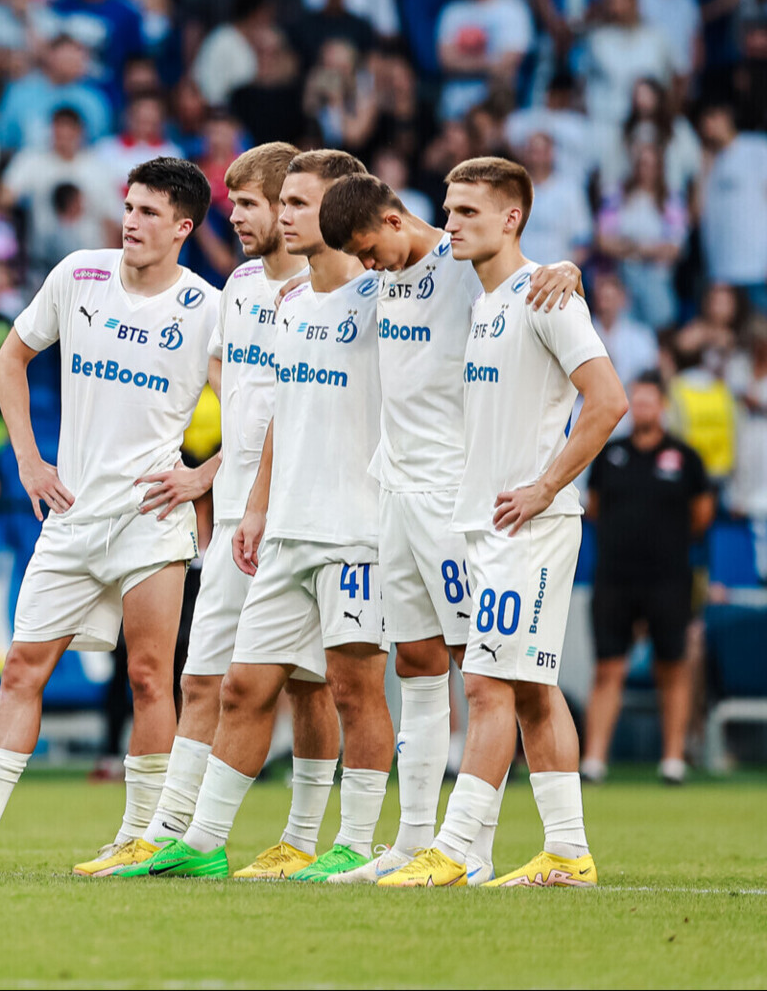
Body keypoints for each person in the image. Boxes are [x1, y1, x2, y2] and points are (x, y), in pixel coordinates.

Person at [0, 158, 217, 875]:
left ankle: (142, 834)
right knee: (20, 670)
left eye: (151, 213)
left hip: (149, 517)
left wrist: (202, 476)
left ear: (184, 228)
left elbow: (263, 410)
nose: (133, 221)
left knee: (148, 677)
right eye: (130, 207)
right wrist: (30, 462)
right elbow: (11, 360)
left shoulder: (206, 309)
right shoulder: (78, 275)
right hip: (71, 516)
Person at [321, 171, 579, 881]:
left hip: (455, 493)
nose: (369, 267)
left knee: (489, 674)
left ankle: (472, 847)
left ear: (396, 221)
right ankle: (411, 842)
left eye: (372, 249)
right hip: (396, 492)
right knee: (416, 664)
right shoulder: (380, 277)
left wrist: (569, 268)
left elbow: (526, 274)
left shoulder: (458, 266)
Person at [140, 150, 390, 882]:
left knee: (349, 689)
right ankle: (203, 840)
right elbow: (280, 416)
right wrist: (250, 506)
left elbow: (456, 264)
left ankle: (354, 842)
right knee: (241, 683)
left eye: (292, 205)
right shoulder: (282, 301)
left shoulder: (384, 296)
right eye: (273, 206)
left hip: (356, 528)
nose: (276, 218)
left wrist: (550, 272)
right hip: (280, 524)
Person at [381, 157, 627, 889]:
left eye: (467, 213)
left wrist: (545, 485)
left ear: (511, 218)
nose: (450, 224)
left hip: (532, 526)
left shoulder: (545, 296)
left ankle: (455, 851)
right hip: (486, 526)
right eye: (449, 211)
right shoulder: (485, 302)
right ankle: (567, 853)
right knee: (527, 690)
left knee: (485, 685)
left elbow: (608, 400)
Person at [584, 373, 713, 786]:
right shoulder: (610, 455)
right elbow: (595, 508)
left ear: (662, 406)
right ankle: (594, 760)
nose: (641, 408)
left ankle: (673, 760)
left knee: (672, 669)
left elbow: (702, 516)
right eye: (635, 401)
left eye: (648, 401)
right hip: (615, 579)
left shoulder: (686, 458)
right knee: (608, 668)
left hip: (668, 582)